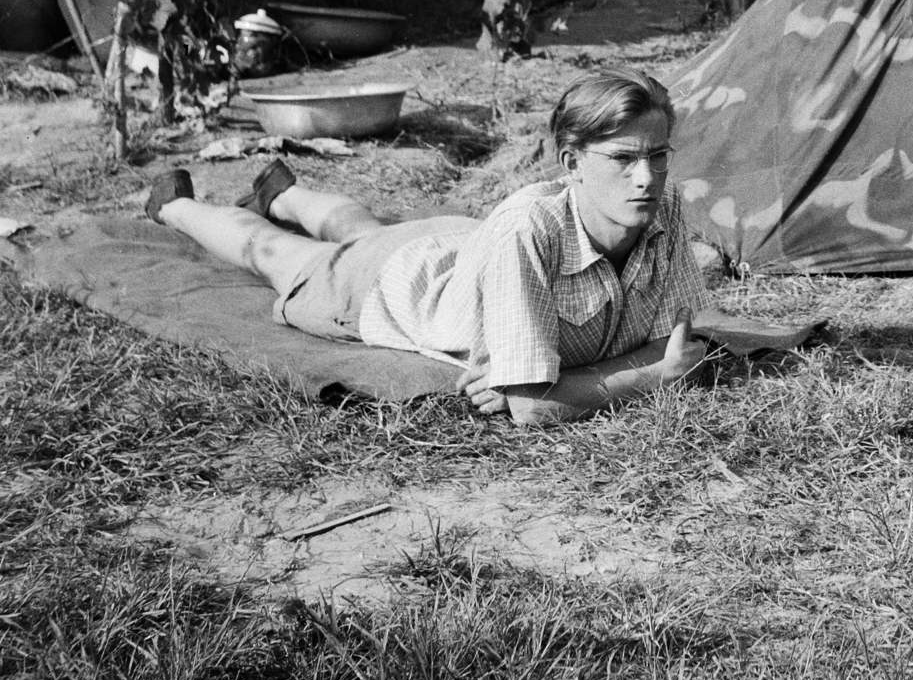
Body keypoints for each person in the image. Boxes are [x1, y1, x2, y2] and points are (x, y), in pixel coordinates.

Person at [145, 65, 712, 425]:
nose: (646, 177)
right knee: (279, 256)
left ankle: (285, 193)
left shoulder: (664, 206)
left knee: (366, 229)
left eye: (657, 155)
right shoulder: (528, 229)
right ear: (572, 165)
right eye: (623, 158)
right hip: (387, 287)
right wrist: (648, 376)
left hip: (458, 247)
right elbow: (537, 407)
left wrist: (569, 383)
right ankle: (174, 206)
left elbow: (680, 342)